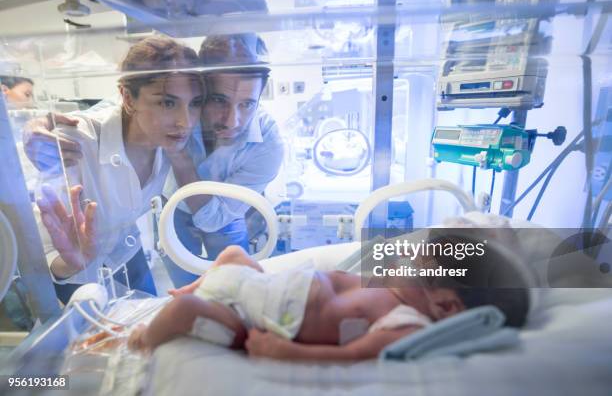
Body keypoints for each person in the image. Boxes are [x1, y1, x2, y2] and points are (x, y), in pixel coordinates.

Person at [128, 244, 529, 361]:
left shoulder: (404, 320)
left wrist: (283, 351)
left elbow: (354, 354)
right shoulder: (392, 287)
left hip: (250, 318)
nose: (408, 260)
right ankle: (196, 286)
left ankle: (145, 339)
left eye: (423, 266)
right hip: (259, 286)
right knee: (233, 253)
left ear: (446, 306)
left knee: (186, 312)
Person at [30, 36, 204, 303]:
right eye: (167, 103)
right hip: (73, 274)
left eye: (194, 103)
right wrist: (73, 264)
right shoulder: (76, 142)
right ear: (127, 97)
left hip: (126, 254)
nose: (185, 121)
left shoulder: (169, 142)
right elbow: (42, 251)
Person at [161, 33, 284, 287]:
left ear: (261, 95)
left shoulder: (268, 145)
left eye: (247, 104)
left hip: (225, 215)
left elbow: (212, 218)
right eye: (219, 100)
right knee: (184, 288)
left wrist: (179, 156)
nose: (232, 121)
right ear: (200, 87)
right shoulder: (175, 108)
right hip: (175, 204)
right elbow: (124, 111)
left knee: (235, 288)